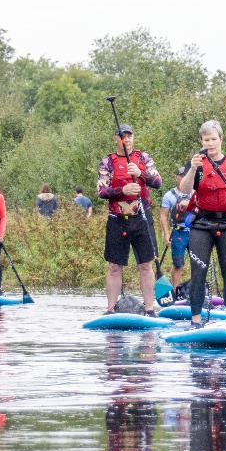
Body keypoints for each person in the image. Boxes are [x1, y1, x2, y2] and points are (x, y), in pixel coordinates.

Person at [175, 120, 226, 327]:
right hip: (201, 225)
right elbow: (185, 190)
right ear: (201, 141)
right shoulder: (195, 163)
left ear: (221, 139)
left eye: (214, 139)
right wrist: (193, 170)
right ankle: (195, 321)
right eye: (206, 140)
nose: (210, 144)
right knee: (198, 272)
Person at [97, 123, 162, 315]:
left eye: (129, 136)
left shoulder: (144, 158)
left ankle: (150, 309)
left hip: (142, 217)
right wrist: (122, 191)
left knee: (146, 265)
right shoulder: (107, 162)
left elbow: (158, 182)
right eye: (122, 136)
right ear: (116, 139)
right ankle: (110, 310)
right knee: (114, 266)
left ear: (133, 137)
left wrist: (140, 174)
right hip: (117, 219)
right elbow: (101, 191)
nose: (126, 140)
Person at [158, 174, 192, 300]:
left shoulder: (194, 193)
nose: (183, 178)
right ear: (176, 178)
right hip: (178, 233)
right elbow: (163, 216)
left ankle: (195, 290)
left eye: (185, 176)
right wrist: (167, 234)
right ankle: (176, 292)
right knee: (178, 265)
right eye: (180, 176)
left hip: (195, 232)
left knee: (198, 264)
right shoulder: (169, 195)